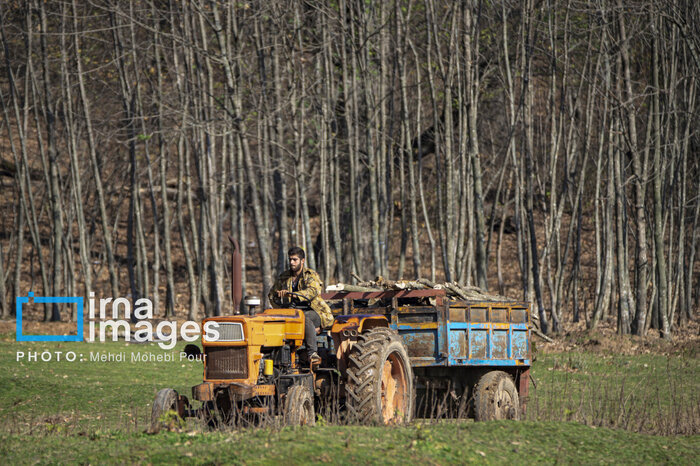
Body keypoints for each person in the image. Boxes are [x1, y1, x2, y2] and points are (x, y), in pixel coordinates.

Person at [268, 247, 333, 363]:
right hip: (292, 312)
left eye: (294, 260)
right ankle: (272, 354)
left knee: (304, 318)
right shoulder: (284, 277)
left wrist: (293, 295)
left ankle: (312, 353)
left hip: (314, 311)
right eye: (290, 259)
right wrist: (280, 303)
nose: (291, 262)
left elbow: (312, 292)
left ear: (302, 261)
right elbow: (271, 295)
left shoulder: (311, 275)